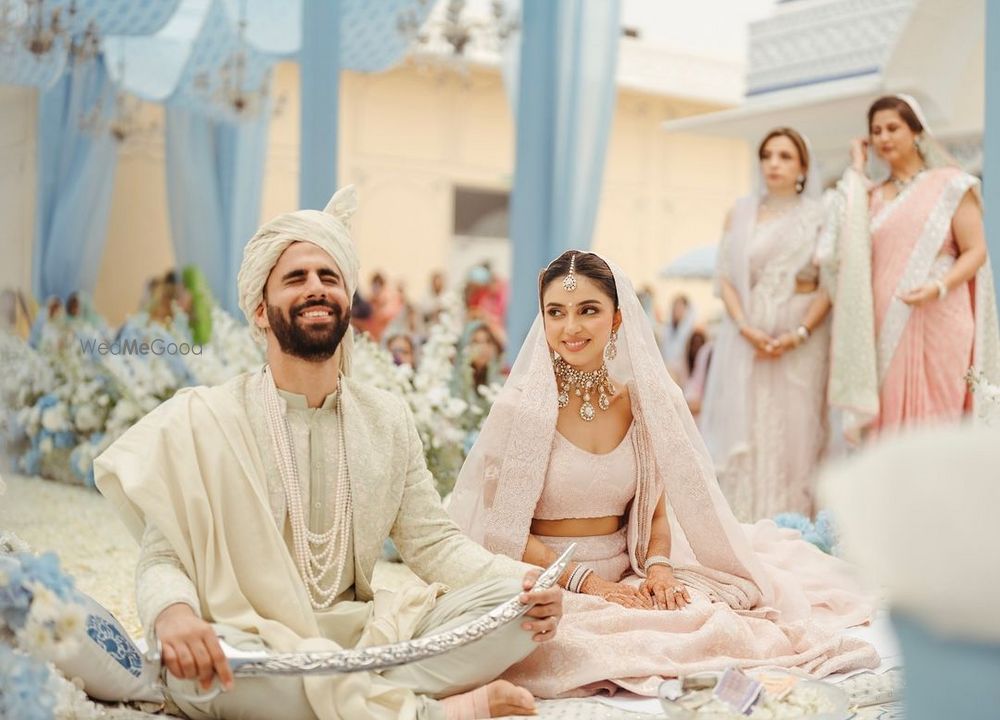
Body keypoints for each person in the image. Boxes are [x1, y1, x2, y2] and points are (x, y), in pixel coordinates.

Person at [94, 186, 563, 720]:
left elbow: (432, 542)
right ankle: (430, 711)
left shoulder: (385, 417)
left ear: (346, 301)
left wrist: (519, 583)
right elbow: (163, 556)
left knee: (517, 617)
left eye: (329, 277)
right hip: (252, 635)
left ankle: (345, 696)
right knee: (211, 668)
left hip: (361, 633)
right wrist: (172, 615)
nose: (315, 288)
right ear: (260, 311)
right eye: (295, 278)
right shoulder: (207, 418)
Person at [448, 250, 877, 699]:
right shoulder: (524, 409)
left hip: (628, 572)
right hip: (546, 579)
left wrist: (660, 571)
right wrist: (586, 583)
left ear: (617, 319)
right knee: (569, 643)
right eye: (555, 312)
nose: (570, 328)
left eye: (588, 310)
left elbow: (653, 513)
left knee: (707, 625)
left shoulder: (641, 403)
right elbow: (504, 532)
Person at [822, 94, 1000, 441]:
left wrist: (939, 287)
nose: (883, 138)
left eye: (893, 128)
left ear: (917, 132)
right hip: (884, 327)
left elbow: (976, 250)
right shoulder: (870, 196)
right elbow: (838, 247)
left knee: (938, 421)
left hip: (941, 316)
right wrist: (857, 167)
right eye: (875, 131)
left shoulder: (950, 185)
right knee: (888, 431)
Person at [699, 127, 832, 521]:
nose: (774, 163)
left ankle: (795, 528)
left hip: (802, 344)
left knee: (796, 433)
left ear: (803, 166)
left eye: (785, 156)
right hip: (748, 340)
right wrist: (745, 328)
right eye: (768, 155)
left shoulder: (820, 216)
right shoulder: (739, 214)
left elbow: (830, 285)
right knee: (750, 431)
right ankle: (748, 527)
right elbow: (725, 278)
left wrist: (799, 333)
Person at [658, 294, 695, 383]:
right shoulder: (666, 329)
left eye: (680, 308)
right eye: (676, 308)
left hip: (683, 374)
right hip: (667, 371)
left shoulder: (691, 331)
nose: (677, 311)